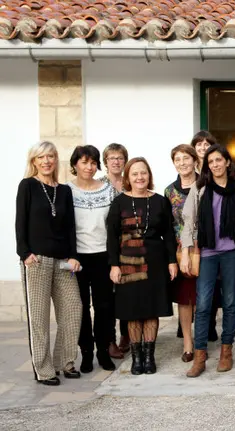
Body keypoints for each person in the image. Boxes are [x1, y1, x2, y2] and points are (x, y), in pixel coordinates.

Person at [182, 145, 235, 378]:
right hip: (207, 253)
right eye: (211, 161)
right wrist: (186, 253)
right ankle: (200, 355)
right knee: (203, 304)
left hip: (233, 252)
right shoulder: (199, 188)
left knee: (230, 303)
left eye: (219, 160)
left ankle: (226, 351)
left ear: (227, 162)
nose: (215, 165)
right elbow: (188, 221)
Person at [16, 141, 82, 386]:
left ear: (56, 160)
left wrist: (73, 255)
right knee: (39, 317)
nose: (46, 161)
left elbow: (70, 226)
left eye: (50, 156)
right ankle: (43, 370)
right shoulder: (27, 186)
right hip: (37, 261)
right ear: (34, 161)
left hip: (63, 261)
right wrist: (24, 253)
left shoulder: (64, 191)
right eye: (41, 157)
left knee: (73, 309)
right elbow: (20, 222)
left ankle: (65, 362)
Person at [107, 157, 177, 375]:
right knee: (133, 311)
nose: (140, 177)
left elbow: (168, 234)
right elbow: (111, 237)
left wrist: (172, 261)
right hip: (128, 264)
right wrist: (114, 265)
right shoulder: (119, 202)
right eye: (135, 173)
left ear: (149, 175)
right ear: (128, 177)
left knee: (151, 310)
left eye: (143, 173)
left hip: (155, 263)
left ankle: (149, 356)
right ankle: (136, 358)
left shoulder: (160, 201)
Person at [68, 145, 119, 373]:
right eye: (84, 162)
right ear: (75, 164)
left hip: (103, 256)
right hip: (77, 258)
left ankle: (103, 351)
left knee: (104, 307)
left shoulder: (108, 191)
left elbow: (115, 227)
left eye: (93, 162)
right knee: (80, 307)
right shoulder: (66, 191)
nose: (89, 167)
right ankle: (86, 353)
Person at [164, 144, 200, 362]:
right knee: (185, 299)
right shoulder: (169, 191)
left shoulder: (206, 185)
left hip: (206, 249)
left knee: (205, 296)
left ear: (195, 160)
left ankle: (203, 337)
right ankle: (188, 342)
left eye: (186, 158)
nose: (182, 163)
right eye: (178, 159)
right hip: (181, 252)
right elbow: (168, 227)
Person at [189, 130, 222, 343]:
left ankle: (210, 324)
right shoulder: (190, 172)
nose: (202, 147)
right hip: (193, 238)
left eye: (206, 143)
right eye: (198, 144)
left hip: (214, 241)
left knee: (213, 286)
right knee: (192, 288)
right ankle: (190, 328)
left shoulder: (216, 170)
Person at [100, 142, 130, 353]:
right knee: (107, 296)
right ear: (106, 162)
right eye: (112, 158)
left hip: (129, 246)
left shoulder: (131, 182)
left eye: (120, 158)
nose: (116, 162)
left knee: (127, 291)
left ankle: (126, 335)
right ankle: (109, 339)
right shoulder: (99, 185)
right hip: (104, 246)